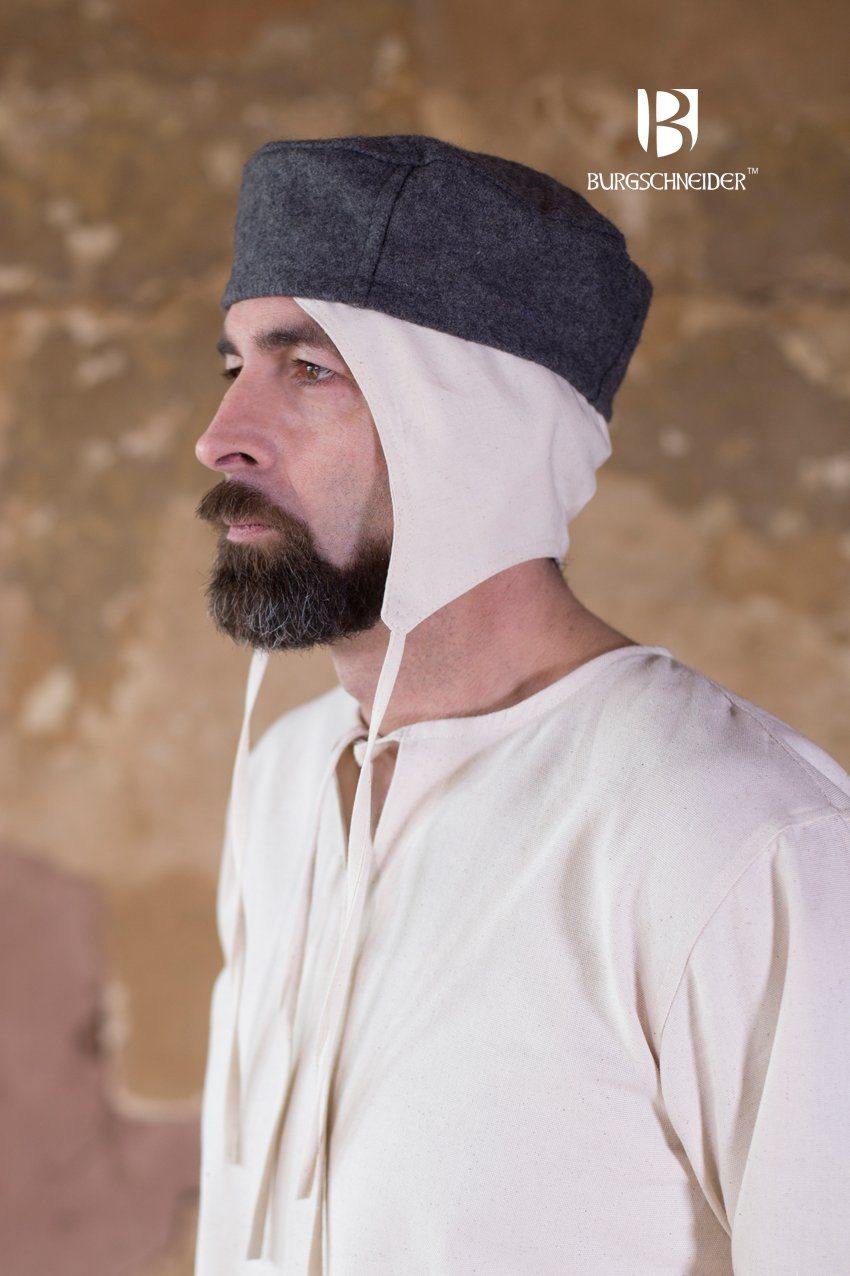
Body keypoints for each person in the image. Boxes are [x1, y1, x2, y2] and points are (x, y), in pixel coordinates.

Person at [192, 134, 850, 1275]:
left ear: (479, 431)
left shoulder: (736, 833)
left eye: (309, 370)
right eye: (233, 365)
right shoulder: (289, 778)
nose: (220, 438)